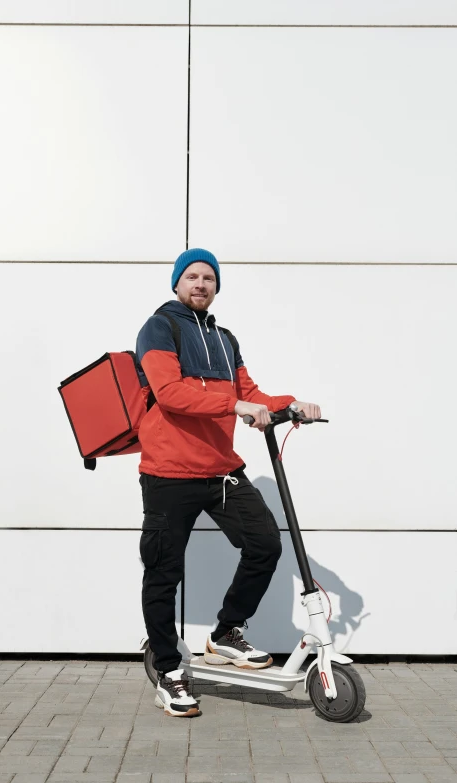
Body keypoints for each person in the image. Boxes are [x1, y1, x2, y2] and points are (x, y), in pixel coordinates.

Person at [136, 248, 321, 717]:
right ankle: (169, 667)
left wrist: (293, 403)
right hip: (169, 473)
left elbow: (249, 394)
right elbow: (170, 394)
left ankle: (224, 633)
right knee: (164, 572)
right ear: (177, 283)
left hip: (220, 468)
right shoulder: (160, 328)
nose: (200, 284)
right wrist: (236, 408)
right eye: (192, 277)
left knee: (264, 543)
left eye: (209, 278)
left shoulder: (225, 338)